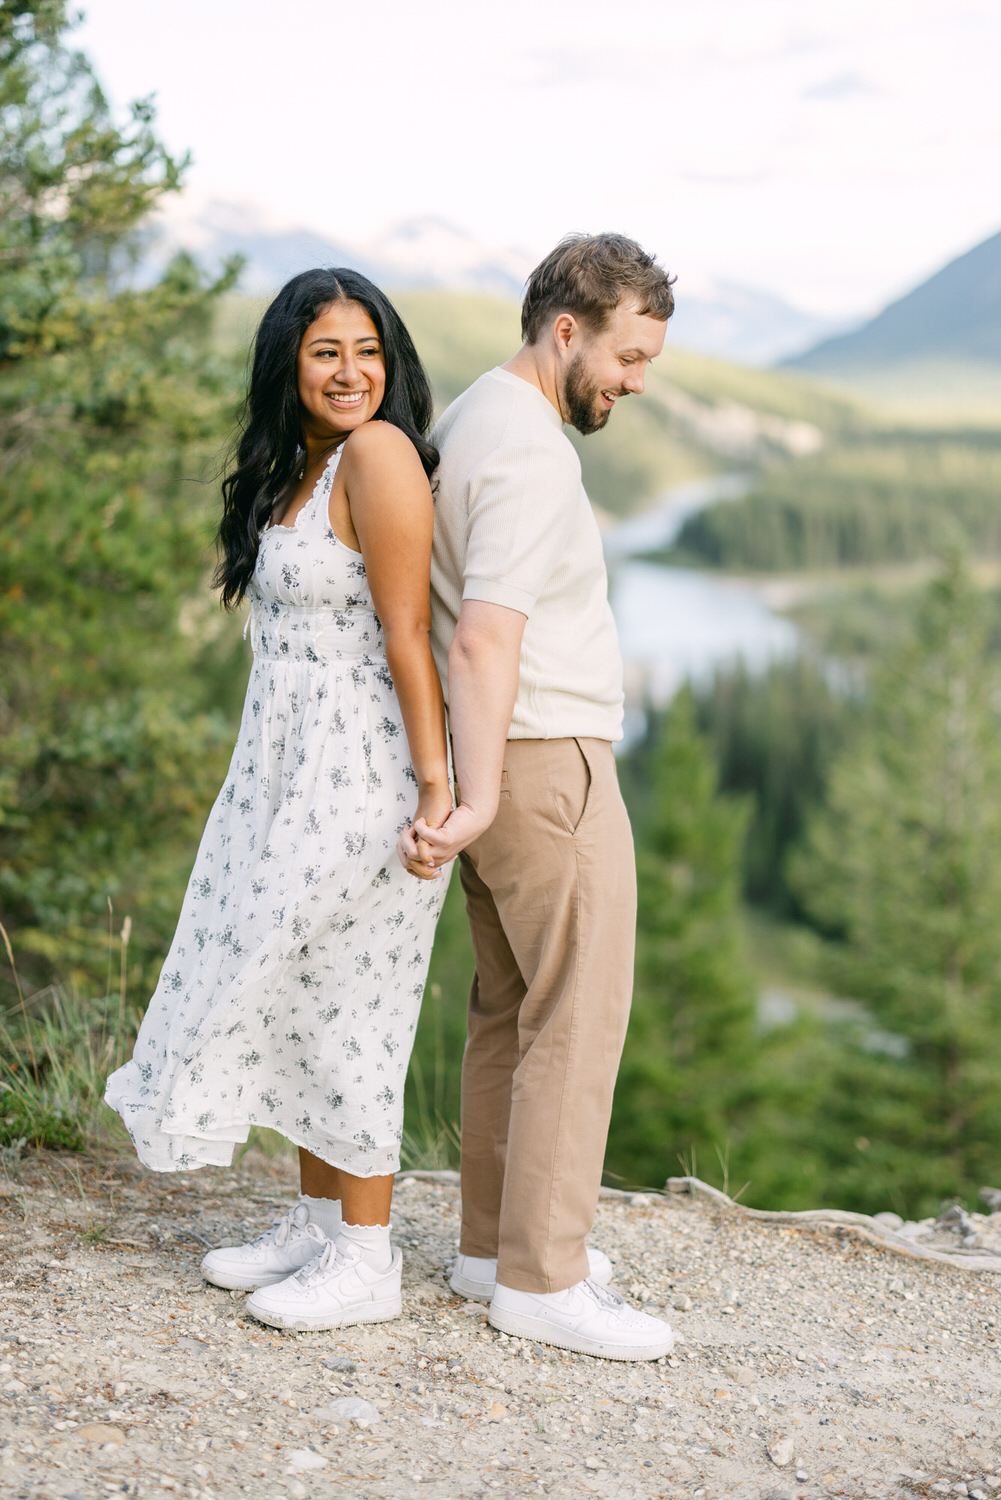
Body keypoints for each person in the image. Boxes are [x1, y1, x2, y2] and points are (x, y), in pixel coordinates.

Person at [106, 268, 452, 1332]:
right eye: (324, 352)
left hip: (357, 779)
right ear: (288, 366)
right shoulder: (299, 469)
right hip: (279, 772)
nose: (350, 372)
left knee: (351, 1005)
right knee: (299, 993)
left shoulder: (381, 456)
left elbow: (405, 638)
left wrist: (437, 794)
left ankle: (366, 1256)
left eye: (366, 351)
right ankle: (313, 1224)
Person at [404, 232, 677, 1361]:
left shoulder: (474, 410)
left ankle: (491, 1249)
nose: (633, 383)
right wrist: (475, 798)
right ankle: (544, 1278)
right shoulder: (525, 450)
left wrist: (468, 787)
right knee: (577, 1011)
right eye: (626, 356)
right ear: (565, 329)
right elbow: (482, 638)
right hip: (543, 758)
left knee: (509, 1010)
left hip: (500, 764)